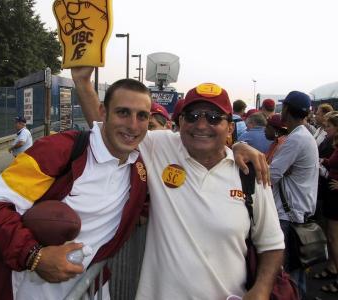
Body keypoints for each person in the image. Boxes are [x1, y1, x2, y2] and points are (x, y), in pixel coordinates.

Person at [72, 67, 283, 300]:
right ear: (180, 122)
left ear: (230, 127)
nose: (201, 125)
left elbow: (271, 243)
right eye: (192, 116)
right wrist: (83, 83)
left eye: (214, 118)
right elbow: (113, 130)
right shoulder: (160, 147)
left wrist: (261, 289)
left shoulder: (250, 174)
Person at [0, 79, 152, 300]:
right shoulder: (59, 149)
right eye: (123, 112)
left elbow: (145, 207)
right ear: (103, 112)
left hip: (90, 288)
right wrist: (34, 256)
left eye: (142, 116)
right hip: (26, 290)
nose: (133, 125)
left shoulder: (140, 169)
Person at [269, 91, 319, 299]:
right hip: (296, 212)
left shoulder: (297, 138)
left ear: (287, 110)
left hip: (289, 215)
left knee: (288, 276)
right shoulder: (303, 135)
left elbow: (272, 174)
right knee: (295, 273)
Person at [317, 112, 338, 293]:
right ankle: (332, 267)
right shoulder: (333, 144)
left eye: (329, 126)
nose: (326, 129)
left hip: (336, 195)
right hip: (330, 193)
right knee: (331, 238)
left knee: (334, 237)